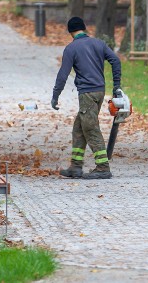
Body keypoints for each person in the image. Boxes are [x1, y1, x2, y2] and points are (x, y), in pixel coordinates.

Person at [51, 16, 121, 180]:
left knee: (90, 128)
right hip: (100, 92)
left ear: (70, 32)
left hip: (87, 93)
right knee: (79, 127)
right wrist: (116, 85)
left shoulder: (71, 48)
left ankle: (103, 167)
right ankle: (75, 167)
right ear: (84, 28)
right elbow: (115, 61)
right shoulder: (99, 43)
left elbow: (63, 75)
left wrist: (55, 95)